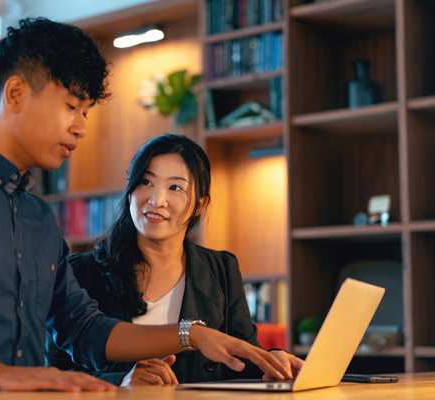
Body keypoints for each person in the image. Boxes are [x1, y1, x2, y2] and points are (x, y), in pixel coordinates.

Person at [0, 18, 296, 396]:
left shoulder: (39, 219)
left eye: (86, 112)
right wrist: (1, 376)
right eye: (71, 106)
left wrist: (190, 333)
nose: (81, 128)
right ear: (17, 94)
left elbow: (84, 328)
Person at [46, 134, 304, 385]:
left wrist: (271, 363)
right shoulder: (82, 271)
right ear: (129, 187)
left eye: (175, 188)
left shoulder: (221, 270)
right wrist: (120, 381)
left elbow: (239, 362)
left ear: (199, 205)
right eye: (146, 182)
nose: (157, 200)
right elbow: (53, 375)